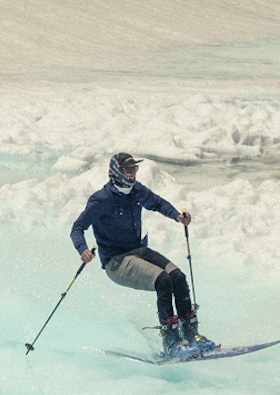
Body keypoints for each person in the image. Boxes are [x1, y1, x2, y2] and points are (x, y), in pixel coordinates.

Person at [69, 152, 216, 357]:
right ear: (116, 172)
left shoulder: (136, 191)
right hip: (117, 261)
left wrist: (177, 216)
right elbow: (77, 228)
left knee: (178, 277)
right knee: (163, 280)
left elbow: (157, 202)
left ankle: (191, 335)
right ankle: (171, 342)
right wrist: (82, 249)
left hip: (139, 252)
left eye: (134, 170)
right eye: (128, 170)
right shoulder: (101, 200)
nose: (132, 175)